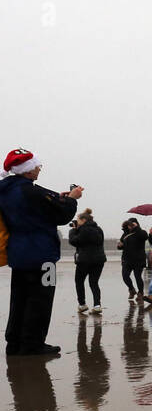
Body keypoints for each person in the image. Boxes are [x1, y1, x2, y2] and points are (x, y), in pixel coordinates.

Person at [0, 148, 82, 356]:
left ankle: (14, 342)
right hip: (43, 254)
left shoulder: (7, 189)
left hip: (18, 253)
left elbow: (40, 202)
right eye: (36, 166)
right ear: (27, 170)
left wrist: (57, 197)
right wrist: (72, 199)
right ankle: (33, 343)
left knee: (19, 298)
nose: (39, 169)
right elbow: (62, 214)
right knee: (41, 299)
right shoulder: (31, 191)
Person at [69, 208, 106, 313]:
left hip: (84, 260)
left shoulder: (83, 230)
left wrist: (73, 230)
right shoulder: (99, 229)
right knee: (94, 283)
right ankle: (97, 305)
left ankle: (82, 304)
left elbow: (74, 241)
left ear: (83, 220)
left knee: (79, 281)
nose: (77, 222)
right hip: (99, 260)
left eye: (78, 220)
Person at [118, 218, 149, 301]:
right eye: (130, 224)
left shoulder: (141, 232)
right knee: (125, 276)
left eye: (133, 224)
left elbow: (145, 237)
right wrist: (119, 245)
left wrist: (136, 228)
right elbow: (120, 245)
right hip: (127, 259)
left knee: (138, 277)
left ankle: (140, 293)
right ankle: (131, 289)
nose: (131, 226)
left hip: (139, 260)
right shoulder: (125, 234)